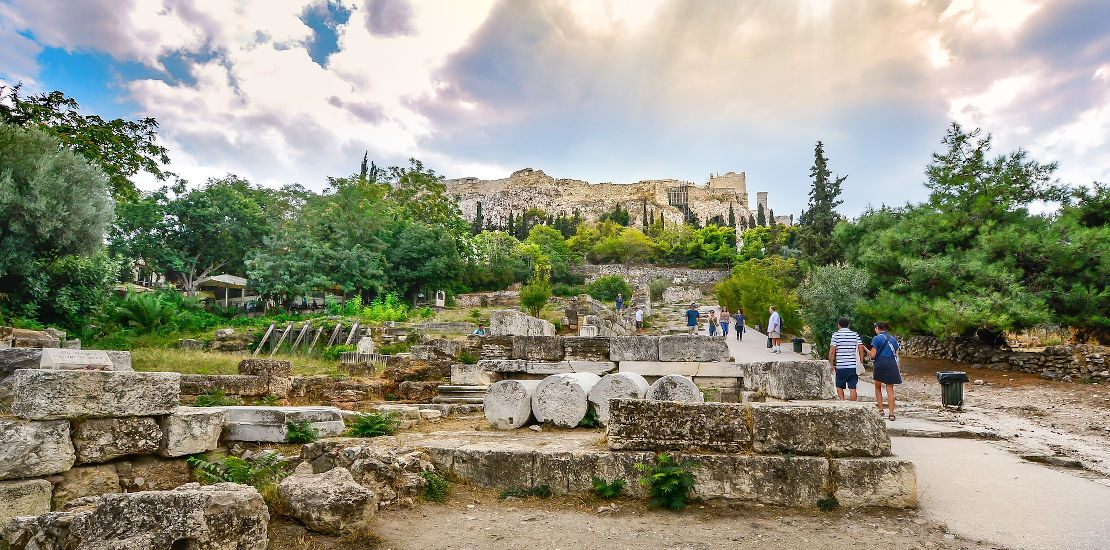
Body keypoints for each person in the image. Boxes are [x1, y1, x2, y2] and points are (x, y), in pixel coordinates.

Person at [868, 321, 902, 420]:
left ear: (877, 328)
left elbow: (873, 355)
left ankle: (881, 410)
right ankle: (891, 414)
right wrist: (898, 368)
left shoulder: (876, 338)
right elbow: (896, 354)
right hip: (891, 363)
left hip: (880, 363)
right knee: (890, 389)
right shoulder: (893, 339)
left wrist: (865, 349)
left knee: (878, 387)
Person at [829, 317, 866, 401]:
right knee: (853, 388)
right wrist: (861, 362)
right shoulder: (855, 335)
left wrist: (831, 364)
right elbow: (860, 349)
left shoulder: (835, 335)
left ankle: (843, 403)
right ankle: (853, 406)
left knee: (839, 387)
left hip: (841, 366)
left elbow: (832, 351)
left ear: (839, 325)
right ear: (849, 325)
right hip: (853, 366)